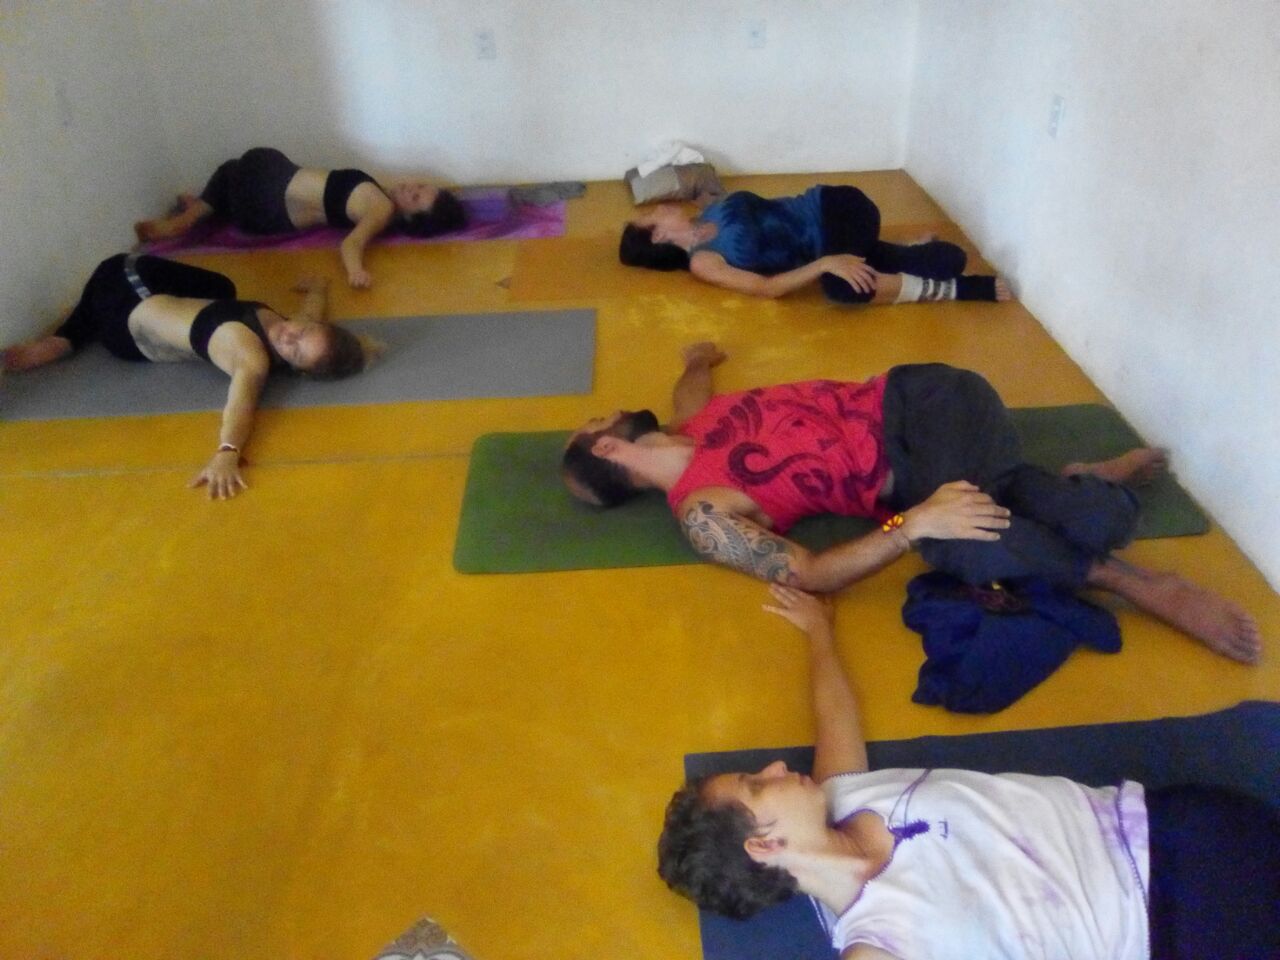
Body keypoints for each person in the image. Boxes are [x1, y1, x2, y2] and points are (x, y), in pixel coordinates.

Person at [658, 585, 1280, 959]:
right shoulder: (879, 941)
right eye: (757, 785)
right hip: (1170, 926)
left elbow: (834, 713)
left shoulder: (843, 791)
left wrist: (820, 631)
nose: (776, 766)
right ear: (764, 845)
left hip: (1166, 819)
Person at [560, 342, 1261, 664]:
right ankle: (1087, 490)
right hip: (923, 487)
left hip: (927, 398)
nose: (608, 411)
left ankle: (1132, 581)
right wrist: (909, 524)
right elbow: (811, 572)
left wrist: (697, 359)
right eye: (597, 422)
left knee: (959, 543)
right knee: (1082, 518)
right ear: (609, 449)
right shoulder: (704, 514)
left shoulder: (692, 419)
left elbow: (690, 389)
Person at [2, 253, 375, 499]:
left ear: (295, 367)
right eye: (303, 332)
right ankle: (68, 337)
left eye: (296, 350)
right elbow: (311, 314)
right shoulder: (293, 330)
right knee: (221, 288)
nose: (290, 337)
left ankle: (65, 337)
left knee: (119, 267)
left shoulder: (250, 356)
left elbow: (241, 404)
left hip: (120, 304)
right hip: (134, 344)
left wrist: (227, 453)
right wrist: (319, 289)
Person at [134, 147, 467, 288]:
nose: (411, 188)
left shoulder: (380, 209)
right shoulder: (380, 200)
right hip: (262, 213)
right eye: (419, 186)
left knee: (237, 168)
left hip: (265, 196)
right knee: (234, 175)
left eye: (415, 198)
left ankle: (189, 218)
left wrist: (356, 272)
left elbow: (351, 244)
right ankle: (198, 210)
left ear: (410, 218)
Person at [619, 185, 1011, 305]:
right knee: (943, 259)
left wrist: (830, 265)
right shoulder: (702, 262)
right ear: (658, 237)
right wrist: (825, 263)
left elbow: (697, 183)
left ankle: (961, 290)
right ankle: (917, 252)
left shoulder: (707, 208)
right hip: (831, 248)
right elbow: (767, 288)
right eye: (653, 215)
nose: (661, 207)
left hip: (838, 206)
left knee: (842, 288)